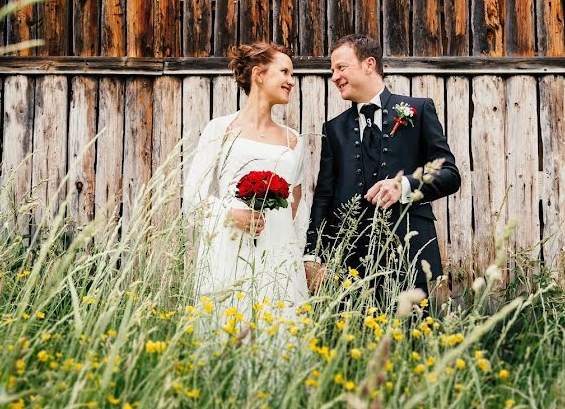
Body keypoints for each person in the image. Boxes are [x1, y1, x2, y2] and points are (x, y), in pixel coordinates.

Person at [305, 34, 461, 302]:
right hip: (349, 258)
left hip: (410, 253)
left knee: (412, 338)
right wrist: (312, 255)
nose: (334, 77)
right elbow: (324, 196)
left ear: (369, 64)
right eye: (332, 70)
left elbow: (450, 174)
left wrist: (405, 185)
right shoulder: (333, 129)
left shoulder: (418, 110)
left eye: (341, 68)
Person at [182, 42, 308, 312]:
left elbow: (297, 209)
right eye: (284, 72)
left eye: (292, 74)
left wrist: (297, 261)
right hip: (228, 250)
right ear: (259, 74)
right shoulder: (220, 129)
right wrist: (229, 214)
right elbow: (193, 197)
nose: (291, 81)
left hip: (278, 256)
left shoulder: (294, 140)